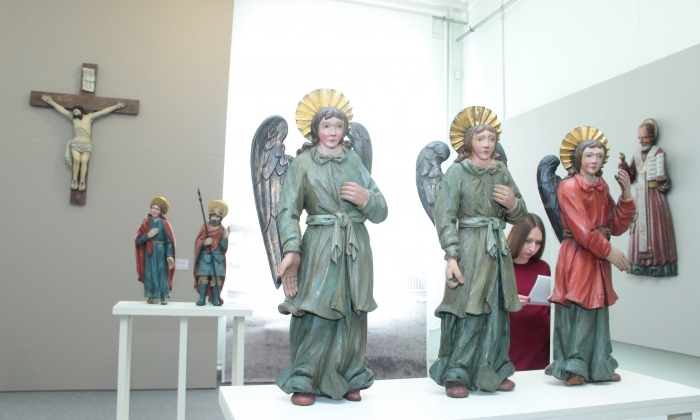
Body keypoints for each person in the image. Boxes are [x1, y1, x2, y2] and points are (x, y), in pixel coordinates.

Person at [275, 89, 388, 406]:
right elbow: (287, 211)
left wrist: (366, 199)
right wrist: (291, 250)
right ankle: (306, 376)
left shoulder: (354, 161)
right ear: (316, 129)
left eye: (339, 126)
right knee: (317, 308)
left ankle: (350, 374)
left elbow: (381, 210)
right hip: (321, 246)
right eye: (327, 126)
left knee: (353, 310)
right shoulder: (302, 164)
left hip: (355, 245)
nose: (333, 132)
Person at [430, 106, 527, 399]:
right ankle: (457, 371)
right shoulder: (458, 172)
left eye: (492, 139)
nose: (487, 144)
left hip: (497, 249)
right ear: (469, 141)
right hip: (470, 246)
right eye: (481, 138)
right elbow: (445, 215)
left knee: (496, 309)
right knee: (468, 307)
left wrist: (512, 203)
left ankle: (492, 368)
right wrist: (451, 254)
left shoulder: (501, 171)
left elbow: (520, 214)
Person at [545, 128, 635, 386]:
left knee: (598, 310)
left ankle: (599, 364)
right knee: (579, 307)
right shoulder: (569, 187)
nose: (594, 160)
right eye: (589, 155)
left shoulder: (601, 186)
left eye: (599, 156)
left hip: (597, 257)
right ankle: (573, 365)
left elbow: (614, 225)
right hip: (578, 256)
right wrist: (609, 251)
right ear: (578, 157)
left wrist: (626, 196)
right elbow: (582, 230)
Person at [619, 118, 677, 277]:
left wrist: (662, 179)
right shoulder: (637, 155)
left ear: (652, 137)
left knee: (655, 228)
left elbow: (664, 179)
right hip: (640, 199)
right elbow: (631, 176)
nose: (641, 141)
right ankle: (639, 264)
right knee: (639, 230)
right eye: (639, 138)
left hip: (654, 199)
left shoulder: (657, 153)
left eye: (644, 137)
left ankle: (659, 263)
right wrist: (623, 165)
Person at [41, 94, 125, 191]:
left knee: (84, 162)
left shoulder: (89, 117)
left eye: (76, 111)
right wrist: (51, 102)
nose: (75, 113)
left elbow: (102, 112)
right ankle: (74, 180)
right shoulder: (74, 119)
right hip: (76, 143)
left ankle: (82, 181)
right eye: (74, 112)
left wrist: (116, 106)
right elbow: (63, 111)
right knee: (76, 160)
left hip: (86, 144)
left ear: (81, 111)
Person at [506, 213, 551, 371]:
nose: (533, 248)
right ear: (517, 236)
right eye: (528, 241)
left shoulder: (543, 267)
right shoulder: (500, 267)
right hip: (510, 345)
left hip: (541, 347)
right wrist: (509, 302)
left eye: (538, 243)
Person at [135, 196, 176, 305]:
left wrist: (169, 255)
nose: (154, 211)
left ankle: (163, 296)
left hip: (161, 251)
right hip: (149, 252)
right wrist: (148, 235)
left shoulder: (165, 223)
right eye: (153, 208)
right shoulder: (145, 222)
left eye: (157, 209)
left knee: (162, 273)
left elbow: (169, 241)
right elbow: (138, 240)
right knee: (149, 273)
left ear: (161, 211)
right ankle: (151, 295)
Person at [193, 200, 229, 306]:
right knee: (203, 278)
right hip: (205, 257)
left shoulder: (222, 230)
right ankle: (202, 298)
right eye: (213, 216)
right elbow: (198, 241)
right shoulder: (205, 227)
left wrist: (225, 238)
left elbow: (223, 247)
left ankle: (215, 299)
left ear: (220, 218)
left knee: (216, 279)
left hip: (217, 258)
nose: (214, 218)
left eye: (217, 217)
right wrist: (204, 243)